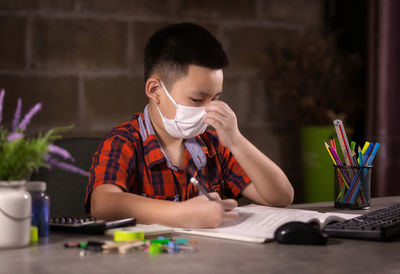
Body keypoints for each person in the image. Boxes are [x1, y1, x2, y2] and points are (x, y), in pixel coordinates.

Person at [85, 22, 294, 228]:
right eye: (196, 100)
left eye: (215, 99)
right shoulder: (124, 142)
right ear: (155, 90)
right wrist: (182, 213)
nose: (208, 110)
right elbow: (102, 204)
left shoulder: (214, 145)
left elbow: (281, 197)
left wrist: (236, 140)